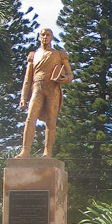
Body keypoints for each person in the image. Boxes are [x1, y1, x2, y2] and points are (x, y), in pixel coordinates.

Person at [16, 28, 73, 158]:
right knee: (30, 118)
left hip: (53, 89)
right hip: (37, 88)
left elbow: (70, 74)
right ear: (39, 37)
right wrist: (24, 97)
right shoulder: (33, 55)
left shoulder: (59, 54)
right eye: (42, 35)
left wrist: (66, 78)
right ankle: (25, 151)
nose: (45, 37)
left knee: (51, 121)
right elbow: (27, 79)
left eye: (48, 35)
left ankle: (47, 152)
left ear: (52, 37)